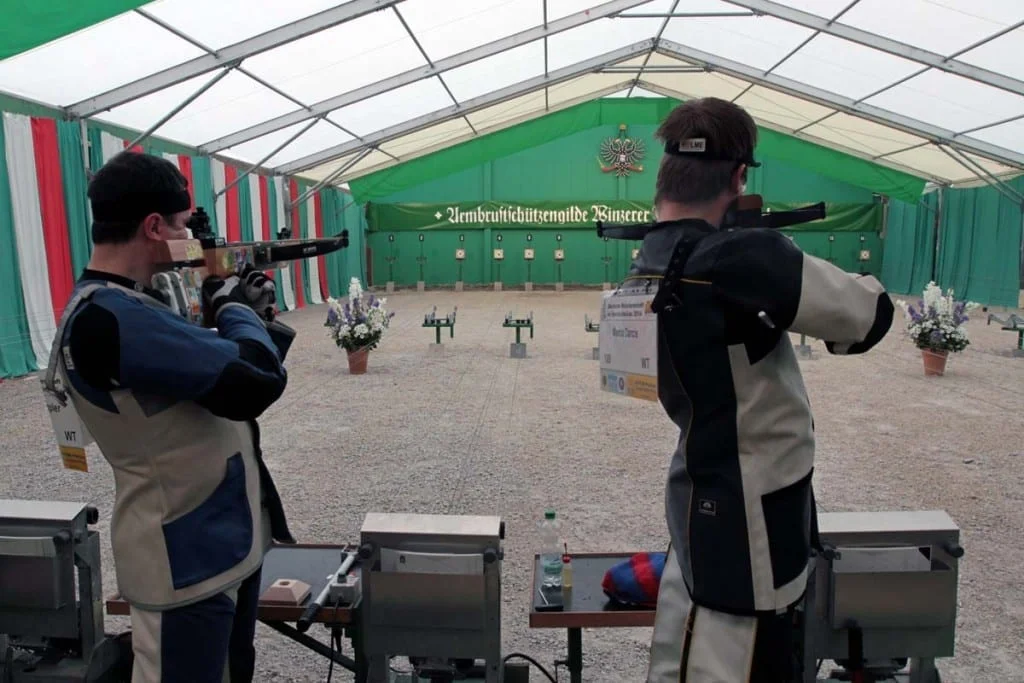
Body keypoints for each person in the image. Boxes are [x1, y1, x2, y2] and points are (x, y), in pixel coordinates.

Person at [628, 98, 894, 682]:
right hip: (755, 517)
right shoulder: (747, 257)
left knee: (684, 649)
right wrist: (763, 244)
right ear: (740, 176)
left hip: (697, 489)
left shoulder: (649, 252)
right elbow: (869, 317)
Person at [45, 151, 295, 682]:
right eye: (183, 227)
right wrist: (232, 306)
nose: (192, 241)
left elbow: (208, 381)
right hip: (184, 562)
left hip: (215, 546)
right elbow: (254, 382)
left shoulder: (125, 307)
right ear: (154, 226)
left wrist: (226, 308)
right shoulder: (113, 318)